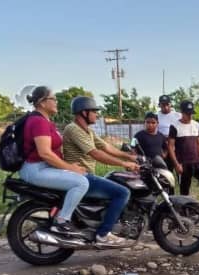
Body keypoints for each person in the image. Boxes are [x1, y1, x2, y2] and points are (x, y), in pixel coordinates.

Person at [62, 96, 139, 245]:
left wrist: (130, 156)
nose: (97, 115)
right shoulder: (73, 129)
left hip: (86, 176)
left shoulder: (87, 131)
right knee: (123, 192)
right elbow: (96, 153)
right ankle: (104, 234)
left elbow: (106, 147)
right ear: (84, 112)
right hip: (81, 177)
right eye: (94, 111)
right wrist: (124, 164)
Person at [19, 86, 89, 237]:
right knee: (81, 182)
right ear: (42, 103)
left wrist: (69, 167)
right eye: (53, 99)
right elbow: (45, 153)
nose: (56, 102)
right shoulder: (39, 122)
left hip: (41, 167)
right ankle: (62, 222)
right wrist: (71, 168)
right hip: (36, 169)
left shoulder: (44, 121)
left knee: (80, 178)